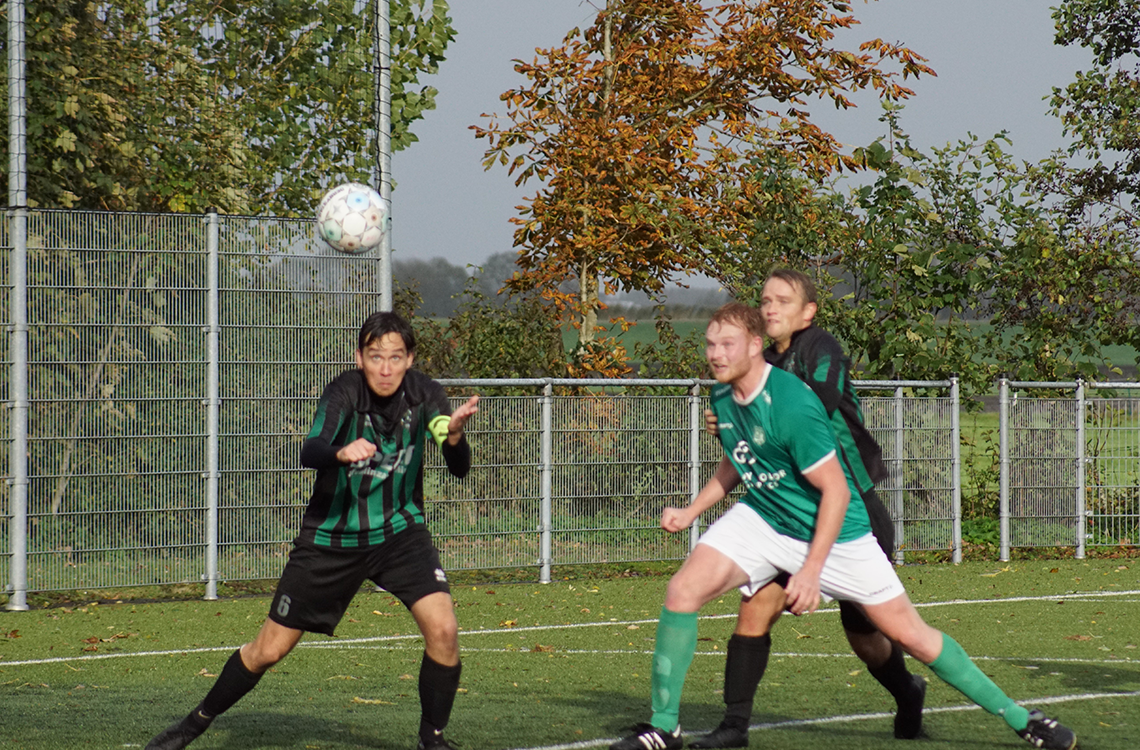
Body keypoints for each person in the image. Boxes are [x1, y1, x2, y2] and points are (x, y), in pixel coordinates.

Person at [609, 302, 1076, 750]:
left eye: (726, 344)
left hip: (835, 532)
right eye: (711, 344)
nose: (715, 354)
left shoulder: (792, 403)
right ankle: (664, 728)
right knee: (682, 591)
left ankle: (1022, 719)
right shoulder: (722, 394)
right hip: (765, 517)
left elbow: (836, 492)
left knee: (911, 636)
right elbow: (741, 456)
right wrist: (693, 510)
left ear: (754, 345)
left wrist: (810, 572)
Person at [146, 311, 480, 750]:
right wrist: (340, 452)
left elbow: (457, 464)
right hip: (330, 541)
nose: (385, 368)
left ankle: (432, 740)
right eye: (375, 356)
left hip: (400, 535)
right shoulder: (345, 390)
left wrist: (453, 436)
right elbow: (311, 449)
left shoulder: (426, 394)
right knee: (268, 650)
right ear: (359, 357)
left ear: (410, 359)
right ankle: (193, 724)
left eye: (396, 357)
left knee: (444, 630)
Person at [691, 269, 924, 748]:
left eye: (782, 300)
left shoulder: (821, 348)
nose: (770, 308)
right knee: (756, 607)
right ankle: (734, 727)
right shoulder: (759, 363)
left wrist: (748, 407)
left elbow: (818, 402)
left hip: (850, 508)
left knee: (866, 636)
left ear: (808, 312)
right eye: (765, 300)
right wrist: (732, 418)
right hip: (786, 515)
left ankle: (907, 692)